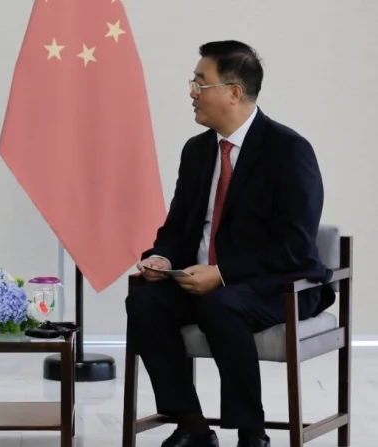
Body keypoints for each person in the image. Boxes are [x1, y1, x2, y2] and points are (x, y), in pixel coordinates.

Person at [126, 41, 333, 447]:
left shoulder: (289, 150)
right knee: (145, 303)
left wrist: (222, 274)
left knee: (221, 305)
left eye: (200, 83)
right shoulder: (197, 151)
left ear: (234, 92)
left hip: (281, 284)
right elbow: (177, 226)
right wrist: (162, 258)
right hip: (202, 281)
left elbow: (295, 246)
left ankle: (250, 433)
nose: (191, 92)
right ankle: (192, 425)